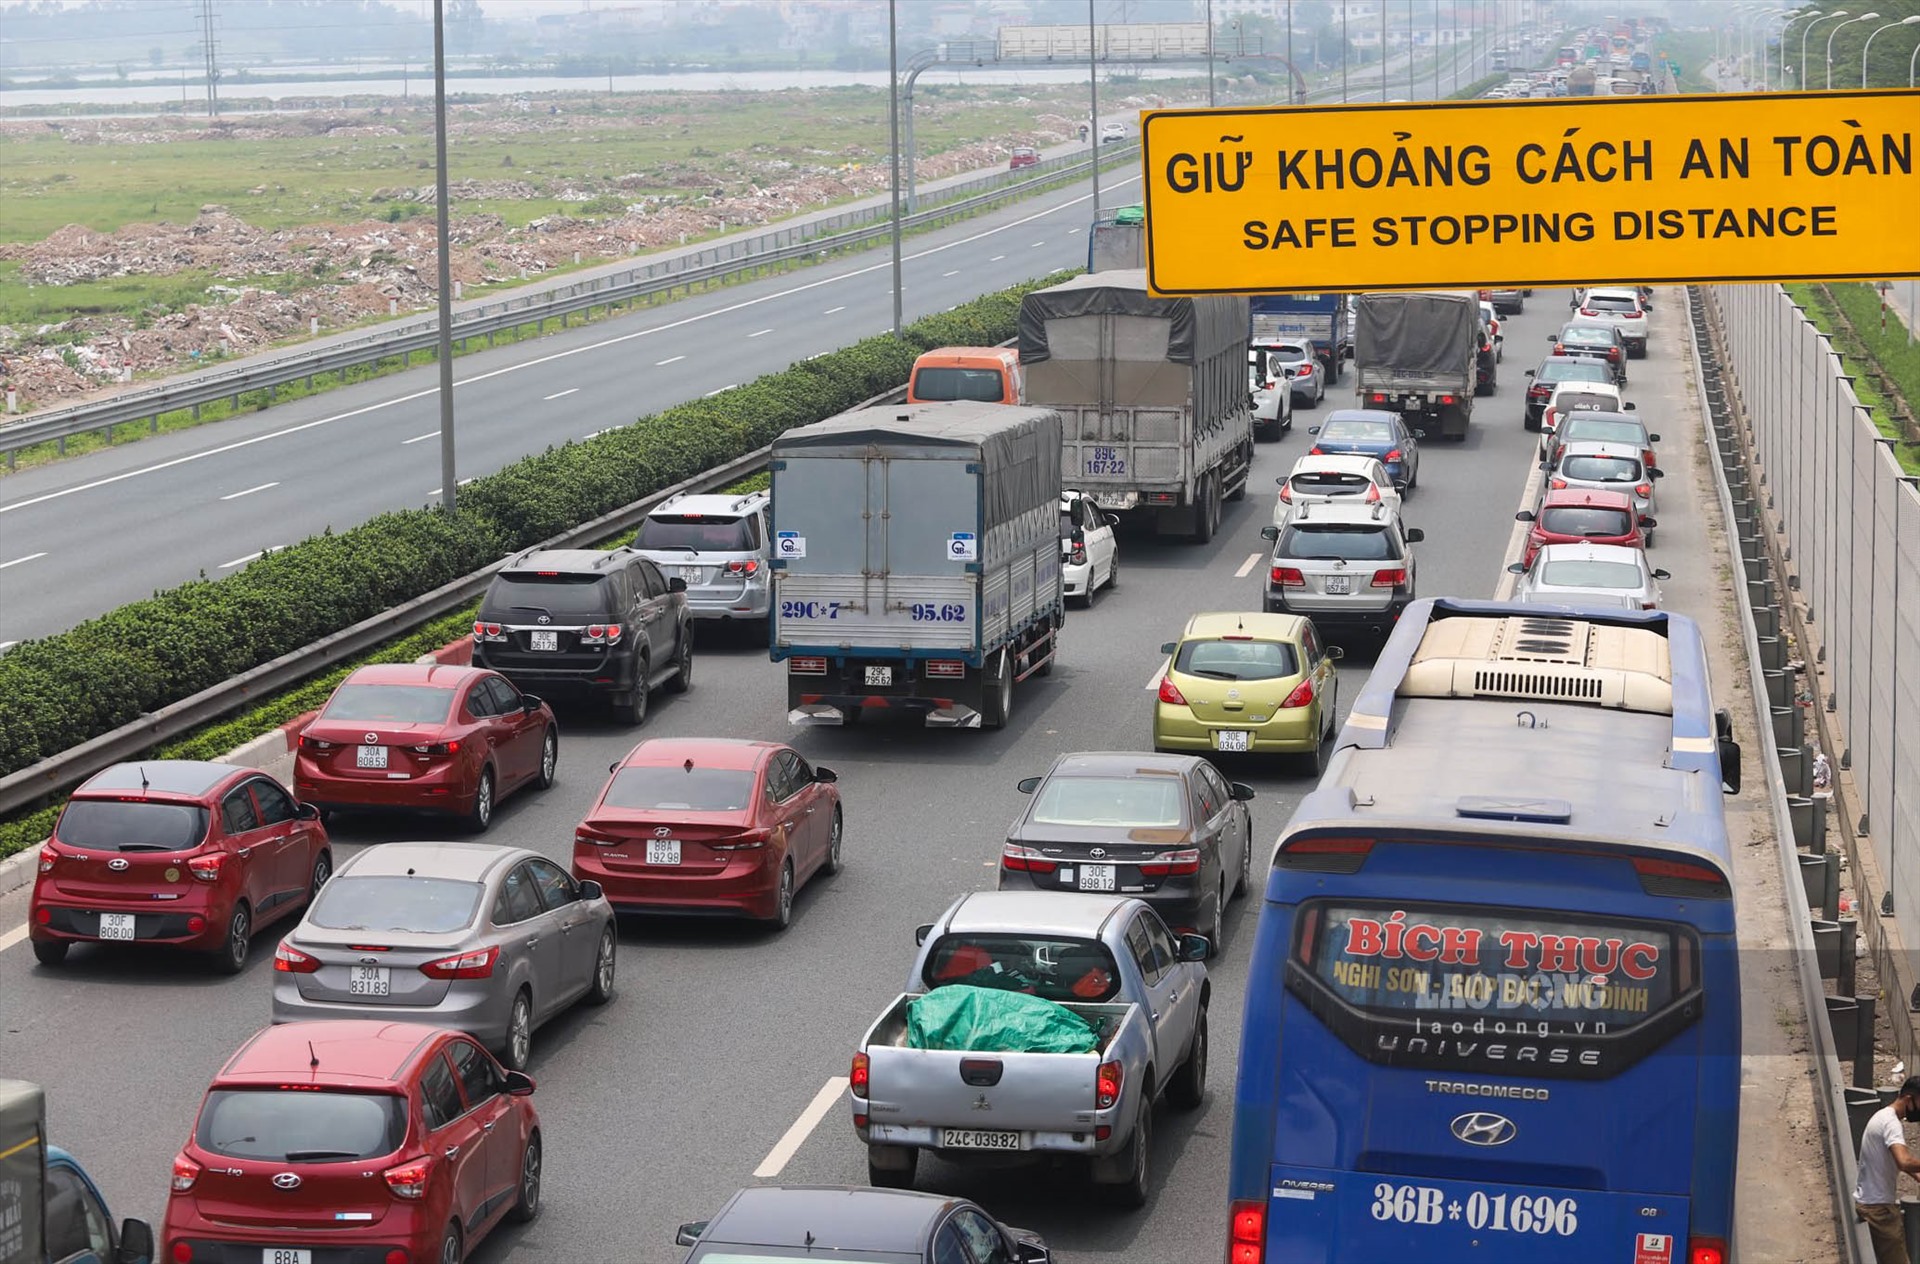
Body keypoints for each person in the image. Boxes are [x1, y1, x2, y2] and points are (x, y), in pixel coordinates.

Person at [1856, 1076, 1920, 1264]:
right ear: (1909, 1099)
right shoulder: (1892, 1125)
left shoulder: (1883, 1116)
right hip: (1879, 1210)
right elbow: (1903, 1161)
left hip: (1870, 1203)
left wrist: (1917, 1176)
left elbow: (1893, 1159)